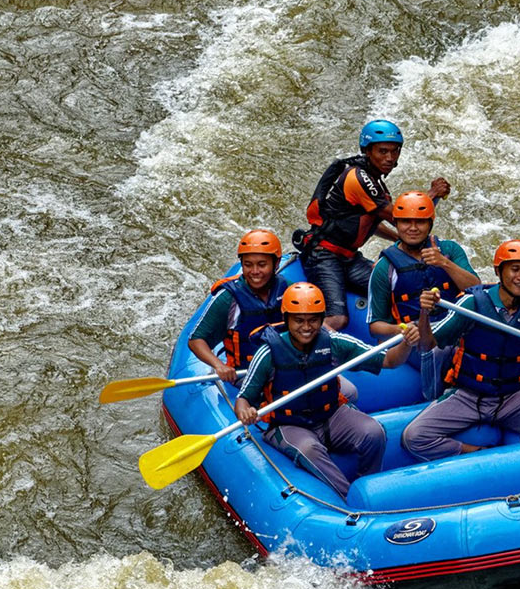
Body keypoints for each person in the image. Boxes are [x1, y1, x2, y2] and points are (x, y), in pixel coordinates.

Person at [402, 240, 520, 461]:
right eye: (515, 269)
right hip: (469, 396)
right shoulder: (471, 304)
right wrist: (425, 314)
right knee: (413, 435)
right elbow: (428, 344)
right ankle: (476, 453)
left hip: (513, 397)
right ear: (498, 270)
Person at [235, 283, 423, 498]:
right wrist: (245, 412)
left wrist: (406, 344)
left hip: (330, 414)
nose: (307, 327)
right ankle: (348, 498)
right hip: (288, 424)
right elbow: (243, 400)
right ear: (287, 319)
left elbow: (389, 360)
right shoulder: (267, 352)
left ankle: (367, 486)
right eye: (299, 320)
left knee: (374, 432)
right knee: (309, 449)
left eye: (313, 320)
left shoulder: (334, 342)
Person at [296, 119, 449, 331]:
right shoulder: (358, 177)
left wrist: (398, 238)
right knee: (338, 319)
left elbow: (371, 222)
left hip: (349, 259)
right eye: (382, 151)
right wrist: (431, 194)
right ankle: (300, 353)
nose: (389, 158)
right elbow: (398, 216)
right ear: (368, 151)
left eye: (394, 152)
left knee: (391, 287)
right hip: (324, 256)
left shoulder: (375, 181)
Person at [366, 190, 479, 401]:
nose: (412, 228)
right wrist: (403, 331)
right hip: (417, 341)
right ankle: (438, 399)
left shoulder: (449, 250)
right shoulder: (385, 268)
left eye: (420, 222)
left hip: (455, 330)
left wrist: (444, 263)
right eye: (406, 222)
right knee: (435, 350)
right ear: (396, 224)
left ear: (430, 224)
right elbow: (375, 327)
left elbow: (476, 290)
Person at [187, 229, 298, 385]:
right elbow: (196, 340)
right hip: (247, 373)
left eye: (262, 265)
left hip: (289, 365)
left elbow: (313, 321)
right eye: (248, 265)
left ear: (277, 263)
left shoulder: (289, 289)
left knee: (342, 391)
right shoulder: (228, 299)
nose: (254, 272)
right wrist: (219, 365)